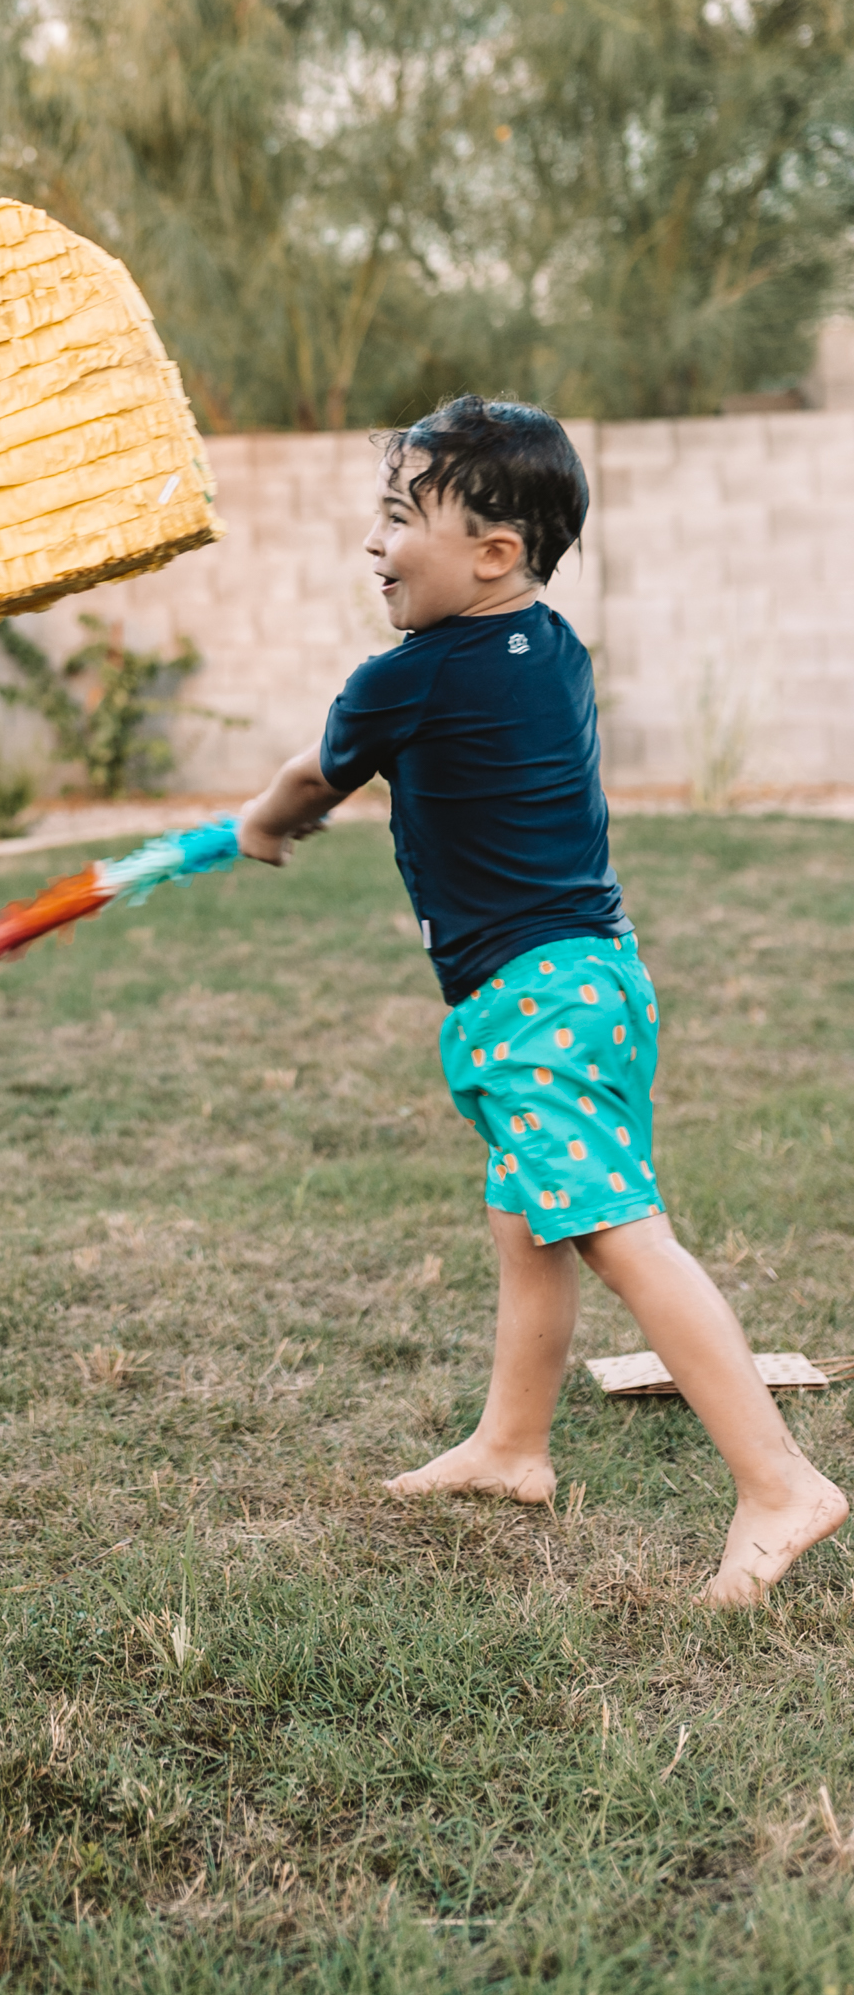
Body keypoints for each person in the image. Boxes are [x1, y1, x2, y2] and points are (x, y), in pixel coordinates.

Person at [235, 394, 845, 1607]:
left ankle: (780, 1485)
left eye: (398, 515)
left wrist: (263, 820)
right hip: (594, 976)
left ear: (493, 552)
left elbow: (317, 774)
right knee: (530, 1221)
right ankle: (511, 1447)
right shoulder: (551, 644)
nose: (372, 542)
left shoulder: (398, 679)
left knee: (614, 1227)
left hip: (533, 995)